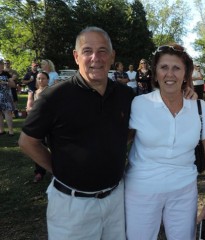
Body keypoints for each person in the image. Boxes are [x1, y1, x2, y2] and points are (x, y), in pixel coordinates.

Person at [18, 26, 134, 240]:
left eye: (102, 51)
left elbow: (132, 130)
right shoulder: (55, 96)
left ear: (112, 56)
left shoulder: (126, 95)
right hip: (72, 207)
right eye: (87, 50)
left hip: (116, 200)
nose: (95, 58)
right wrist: (58, 168)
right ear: (76, 56)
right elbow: (27, 141)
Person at [125, 43, 205, 239]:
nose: (170, 74)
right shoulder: (139, 104)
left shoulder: (199, 108)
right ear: (155, 72)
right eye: (163, 67)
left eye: (176, 68)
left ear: (186, 74)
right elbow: (120, 141)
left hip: (184, 192)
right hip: (141, 191)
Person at [26, 71, 50, 183]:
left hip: (51, 124)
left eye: (43, 78)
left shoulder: (52, 91)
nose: (41, 80)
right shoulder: (33, 92)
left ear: (48, 80)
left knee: (55, 146)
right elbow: (29, 107)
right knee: (38, 147)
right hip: (38, 124)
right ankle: (39, 172)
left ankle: (59, 170)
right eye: (39, 78)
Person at [0, 59, 16, 136]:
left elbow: (13, 85)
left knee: (7, 112)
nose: (2, 65)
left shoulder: (6, 74)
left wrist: (5, 83)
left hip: (5, 96)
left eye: (2, 64)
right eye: (1, 64)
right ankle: (1, 130)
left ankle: (10, 131)